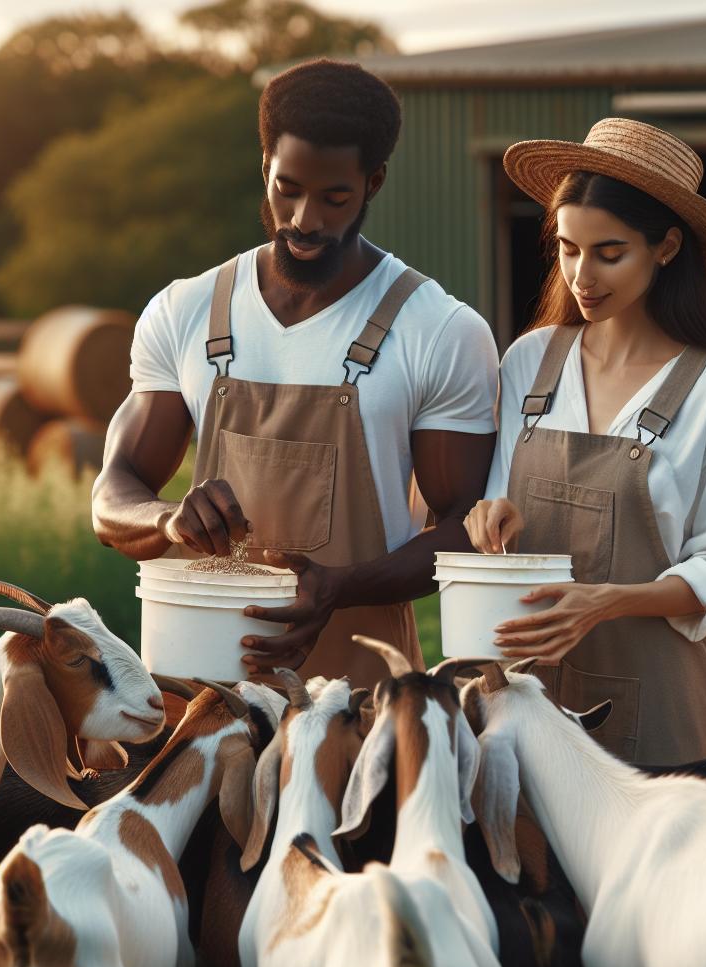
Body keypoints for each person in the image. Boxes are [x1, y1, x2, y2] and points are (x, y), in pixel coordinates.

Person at [91, 58, 498, 686]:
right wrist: (165, 519)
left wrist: (342, 587)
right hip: (200, 686)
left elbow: (468, 530)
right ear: (265, 168)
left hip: (362, 687)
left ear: (374, 183)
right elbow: (112, 495)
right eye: (289, 189)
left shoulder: (442, 330)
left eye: (334, 197)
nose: (306, 219)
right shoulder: (186, 309)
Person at [464, 118, 706, 763]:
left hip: (658, 700)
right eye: (568, 249)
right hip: (521, 696)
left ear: (665, 248)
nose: (582, 276)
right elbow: (494, 498)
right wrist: (487, 516)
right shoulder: (528, 362)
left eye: (609, 253)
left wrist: (606, 603)